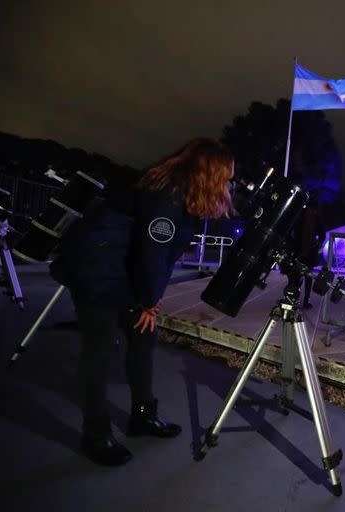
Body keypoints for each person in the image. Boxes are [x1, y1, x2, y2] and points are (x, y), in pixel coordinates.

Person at [50, 138, 233, 466]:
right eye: (226, 178)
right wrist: (149, 301)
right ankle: (96, 435)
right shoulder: (167, 194)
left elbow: (161, 256)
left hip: (122, 267)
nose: (228, 186)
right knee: (100, 350)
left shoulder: (183, 194)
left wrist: (151, 299)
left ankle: (143, 417)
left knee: (143, 339)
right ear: (209, 172)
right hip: (96, 268)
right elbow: (152, 253)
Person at [294, 200, 323, 309]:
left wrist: (317, 243)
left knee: (304, 278)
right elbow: (322, 234)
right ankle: (300, 300)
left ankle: (302, 300)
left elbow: (322, 234)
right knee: (302, 278)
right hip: (303, 252)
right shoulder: (309, 218)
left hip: (306, 252)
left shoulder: (305, 218)